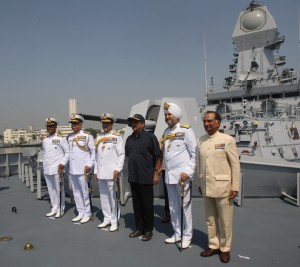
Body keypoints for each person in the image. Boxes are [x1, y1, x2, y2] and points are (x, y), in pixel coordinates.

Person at [197, 111, 240, 263]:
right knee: (210, 219)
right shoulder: (201, 140)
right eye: (204, 121)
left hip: (223, 188)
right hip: (207, 187)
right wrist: (199, 183)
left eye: (209, 121)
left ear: (218, 122)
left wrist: (235, 187)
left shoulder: (227, 140)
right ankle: (213, 245)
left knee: (225, 221)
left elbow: (235, 165)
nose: (206, 124)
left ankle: (225, 248)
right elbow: (199, 164)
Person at [162, 102, 197, 249]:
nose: (167, 117)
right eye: (165, 115)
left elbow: (195, 155)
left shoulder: (186, 130)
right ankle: (177, 233)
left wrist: (188, 172)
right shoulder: (166, 132)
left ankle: (187, 236)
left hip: (182, 177)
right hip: (170, 176)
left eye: (169, 114)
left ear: (176, 115)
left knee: (185, 207)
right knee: (173, 207)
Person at [125, 114, 161, 241]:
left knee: (147, 205)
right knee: (137, 205)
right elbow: (129, 155)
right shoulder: (129, 139)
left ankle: (148, 230)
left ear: (142, 124)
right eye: (131, 122)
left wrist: (156, 173)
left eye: (135, 122)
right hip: (134, 177)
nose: (133, 124)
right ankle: (139, 228)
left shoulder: (150, 137)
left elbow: (158, 156)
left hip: (146, 177)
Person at [94, 113, 125, 232]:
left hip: (112, 173)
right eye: (103, 123)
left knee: (113, 198)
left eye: (107, 123)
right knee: (104, 197)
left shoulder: (116, 137)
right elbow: (97, 155)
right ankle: (106, 218)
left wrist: (118, 169)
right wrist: (96, 171)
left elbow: (121, 154)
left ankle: (114, 220)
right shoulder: (98, 137)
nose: (105, 125)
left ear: (112, 124)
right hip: (101, 173)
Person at [68, 114, 95, 224]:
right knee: (76, 192)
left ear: (80, 124)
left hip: (83, 170)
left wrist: (89, 165)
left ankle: (87, 213)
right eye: (72, 124)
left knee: (85, 192)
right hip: (73, 170)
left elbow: (93, 152)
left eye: (75, 124)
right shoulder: (70, 137)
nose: (73, 126)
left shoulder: (88, 136)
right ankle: (80, 212)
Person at [43, 117, 69, 218]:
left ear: (55, 127)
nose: (49, 128)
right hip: (47, 169)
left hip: (57, 169)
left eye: (51, 126)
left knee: (59, 190)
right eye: (48, 126)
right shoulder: (45, 140)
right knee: (51, 190)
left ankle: (60, 208)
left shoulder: (61, 139)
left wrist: (62, 163)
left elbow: (67, 152)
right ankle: (54, 208)